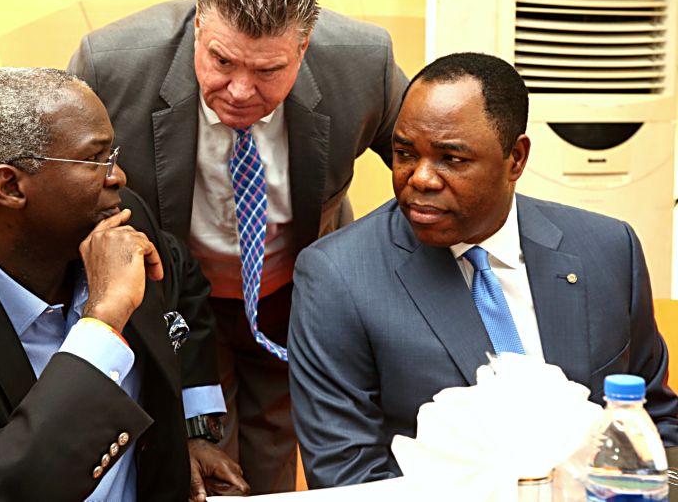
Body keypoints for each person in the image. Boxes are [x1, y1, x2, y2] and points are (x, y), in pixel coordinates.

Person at [68, 0, 408, 493]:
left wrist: (381, 267)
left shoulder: (362, 62)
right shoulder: (111, 63)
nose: (242, 90)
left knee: (275, 466)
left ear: (304, 47)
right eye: (222, 61)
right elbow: (59, 182)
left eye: (269, 70)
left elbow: (430, 169)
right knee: (203, 469)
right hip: (178, 302)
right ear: (199, 27)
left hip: (292, 295)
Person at [0, 68, 249, 501]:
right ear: (10, 187)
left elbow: (182, 282)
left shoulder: (116, 217)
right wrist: (103, 322)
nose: (117, 177)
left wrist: (192, 430)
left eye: (111, 155)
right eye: (95, 159)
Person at [288, 52, 678, 488]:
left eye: (451, 159)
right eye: (404, 154)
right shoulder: (338, 276)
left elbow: (657, 424)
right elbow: (349, 478)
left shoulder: (607, 251)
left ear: (516, 158)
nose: (420, 179)